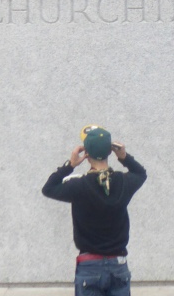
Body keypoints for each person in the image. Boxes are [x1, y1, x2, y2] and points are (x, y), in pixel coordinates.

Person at [42, 125, 146, 296]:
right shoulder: (123, 182)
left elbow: (48, 188)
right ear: (110, 151)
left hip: (89, 265)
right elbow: (141, 173)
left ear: (87, 154)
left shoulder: (78, 186)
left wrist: (70, 165)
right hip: (118, 265)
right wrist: (125, 157)